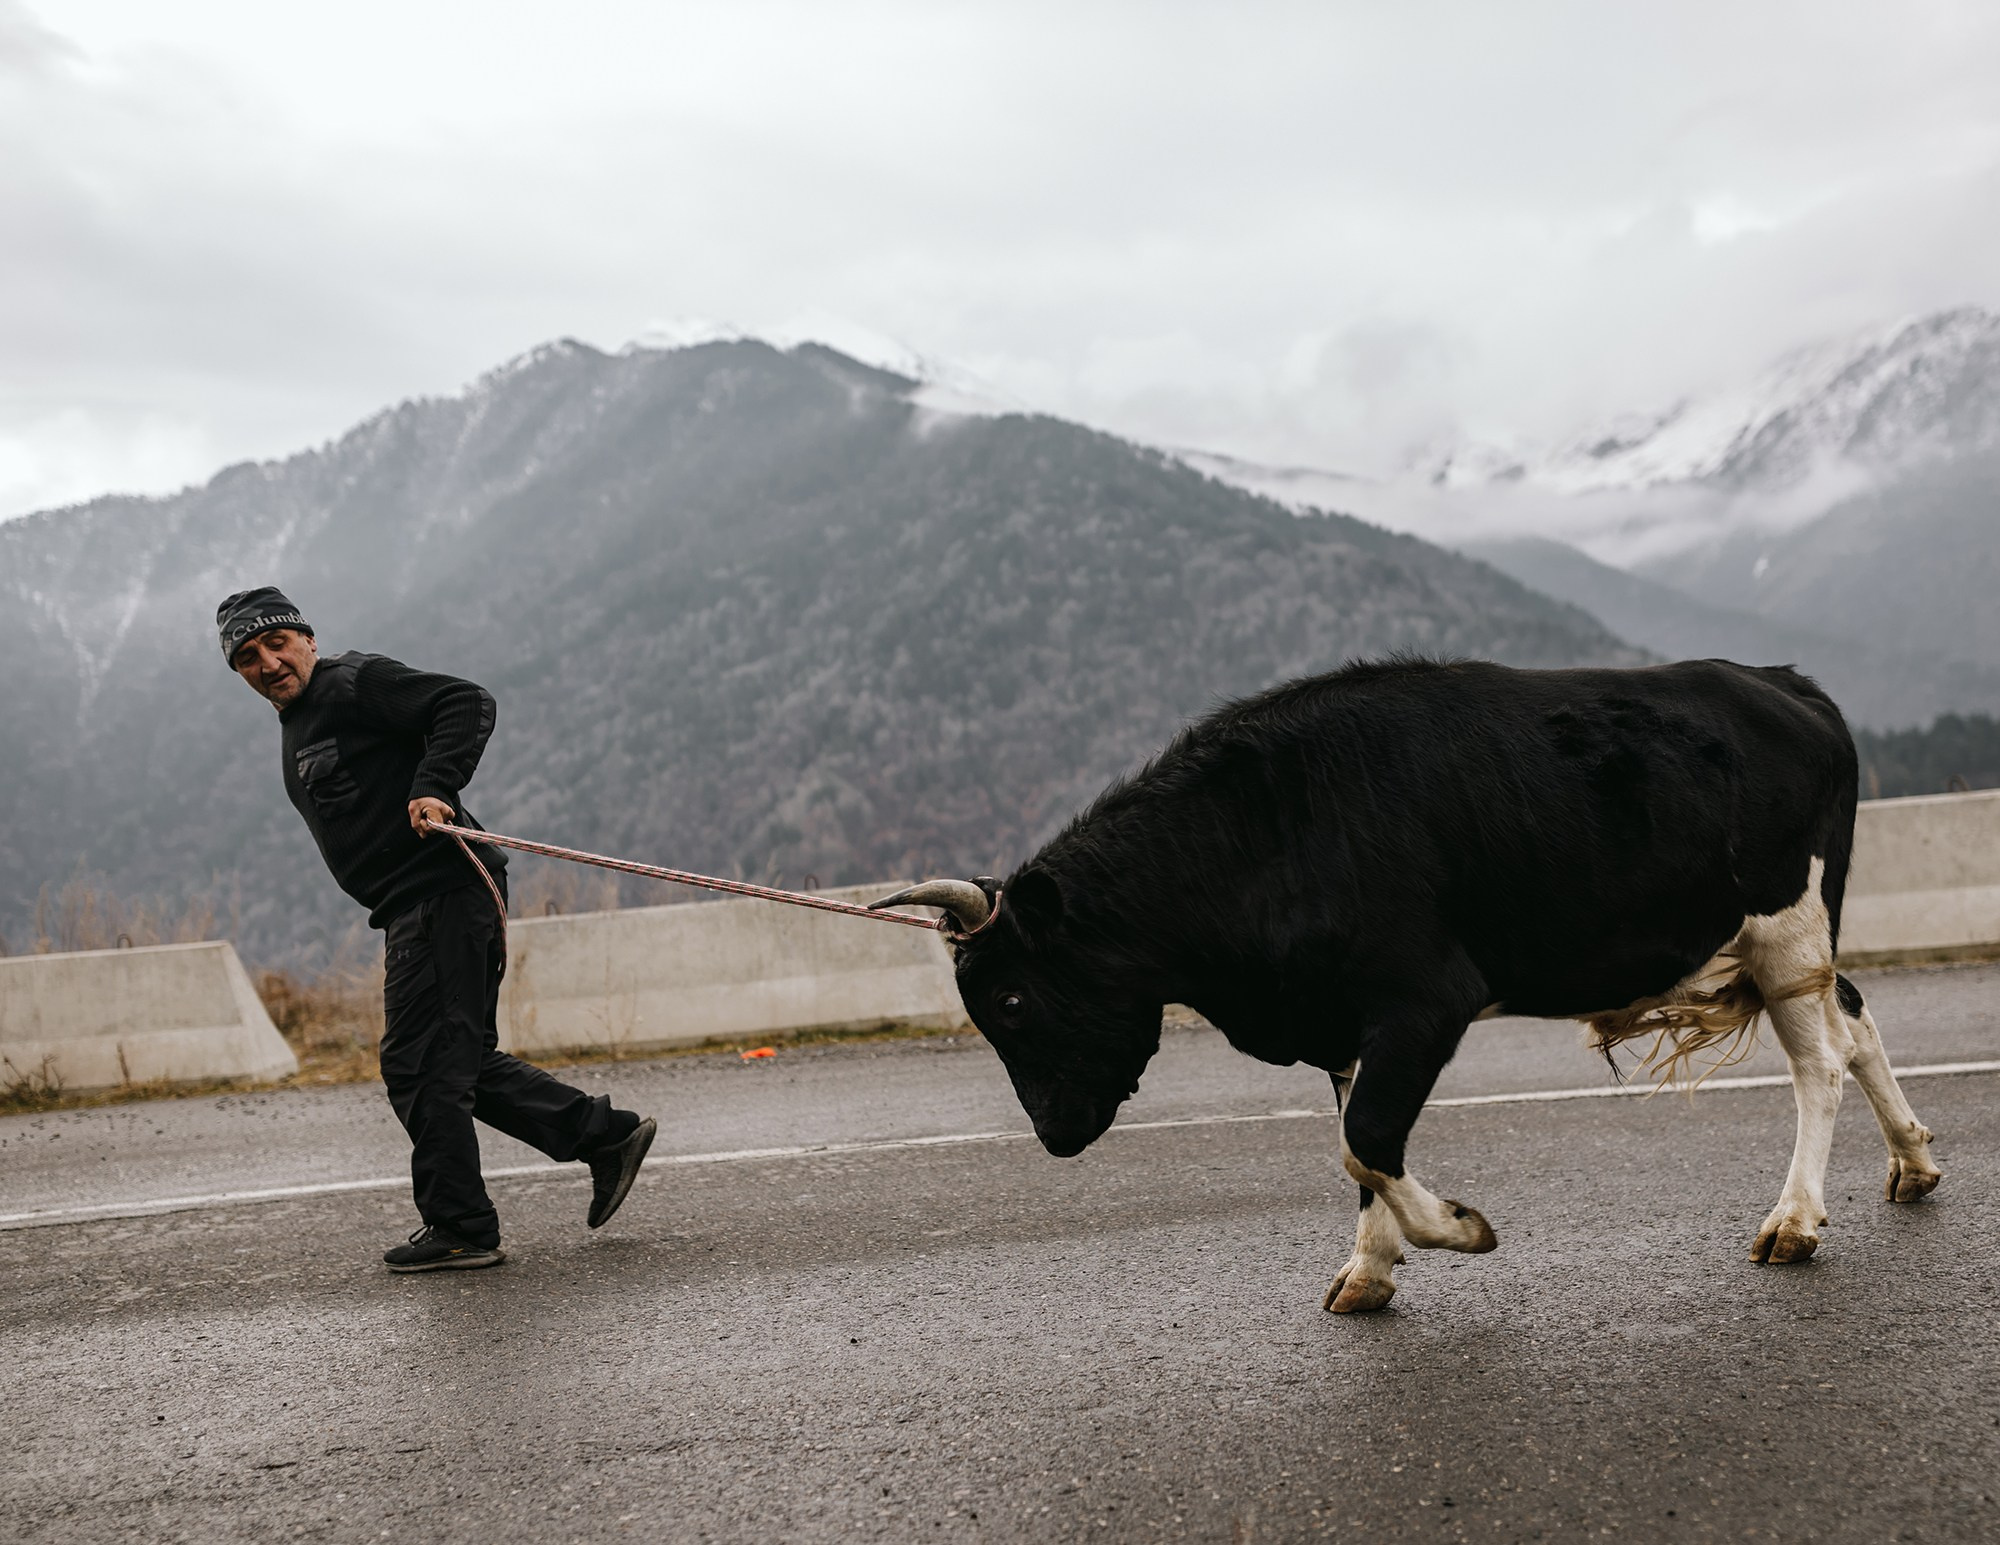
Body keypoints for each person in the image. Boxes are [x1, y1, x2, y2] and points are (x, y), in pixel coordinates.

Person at [218, 585, 656, 1272]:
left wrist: (434, 785)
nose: (268, 662)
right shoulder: (301, 718)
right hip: (420, 904)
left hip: (441, 893)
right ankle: (604, 1136)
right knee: (459, 1061)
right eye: (248, 656)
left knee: (419, 1063)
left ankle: (460, 1225)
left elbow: (464, 700)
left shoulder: (350, 682)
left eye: (277, 643)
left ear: (307, 638)